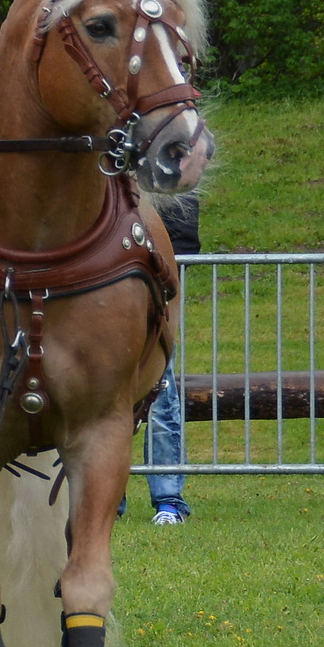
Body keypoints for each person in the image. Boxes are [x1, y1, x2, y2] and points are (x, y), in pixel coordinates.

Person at [144, 193, 199, 525]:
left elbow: (183, 228)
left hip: (155, 287)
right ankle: (107, 501)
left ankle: (168, 500)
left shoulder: (161, 169)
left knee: (161, 394)